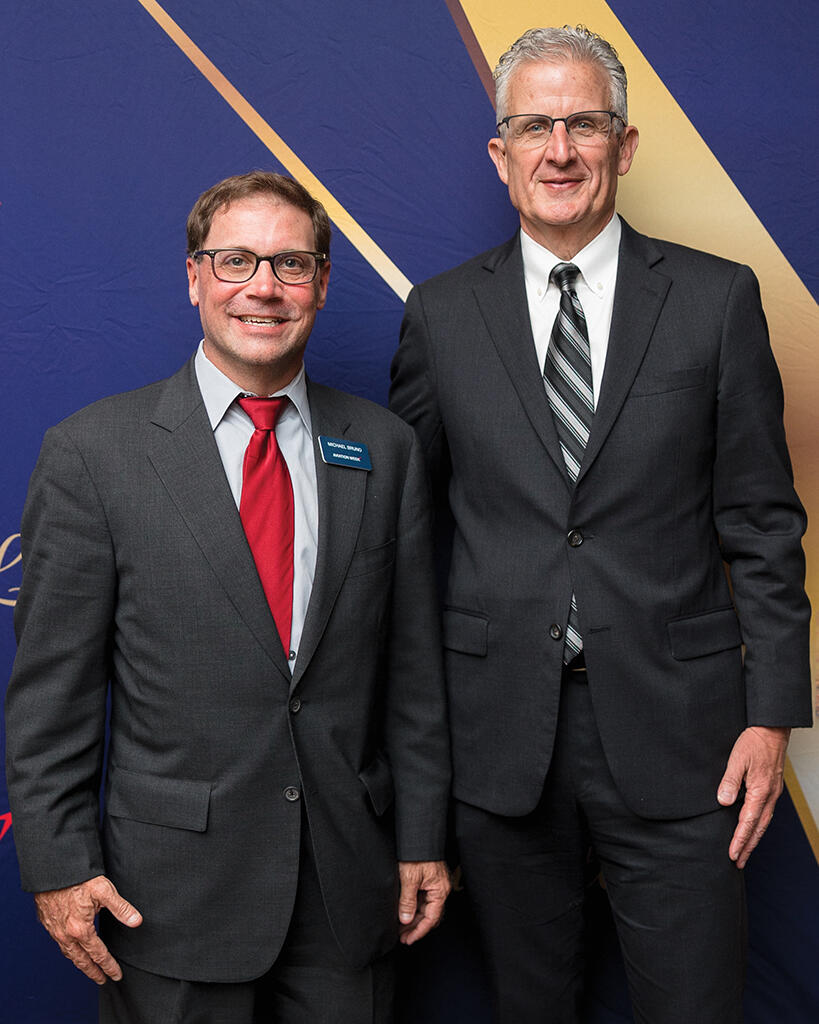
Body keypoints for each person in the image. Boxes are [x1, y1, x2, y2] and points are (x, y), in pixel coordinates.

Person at [389, 25, 811, 1024]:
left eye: (584, 124)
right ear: (500, 154)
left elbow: (761, 522)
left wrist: (772, 715)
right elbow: (397, 536)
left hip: (686, 733)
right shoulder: (441, 317)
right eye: (533, 127)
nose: (559, 150)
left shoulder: (716, 300)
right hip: (499, 736)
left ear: (623, 146)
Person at [6, 171, 451, 1024]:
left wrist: (424, 836)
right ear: (194, 277)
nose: (263, 287)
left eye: (290, 263)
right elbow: (52, 697)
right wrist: (59, 864)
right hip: (169, 896)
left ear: (321, 283)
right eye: (236, 260)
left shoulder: (384, 449)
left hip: (348, 889)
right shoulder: (94, 455)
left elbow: (413, 677)